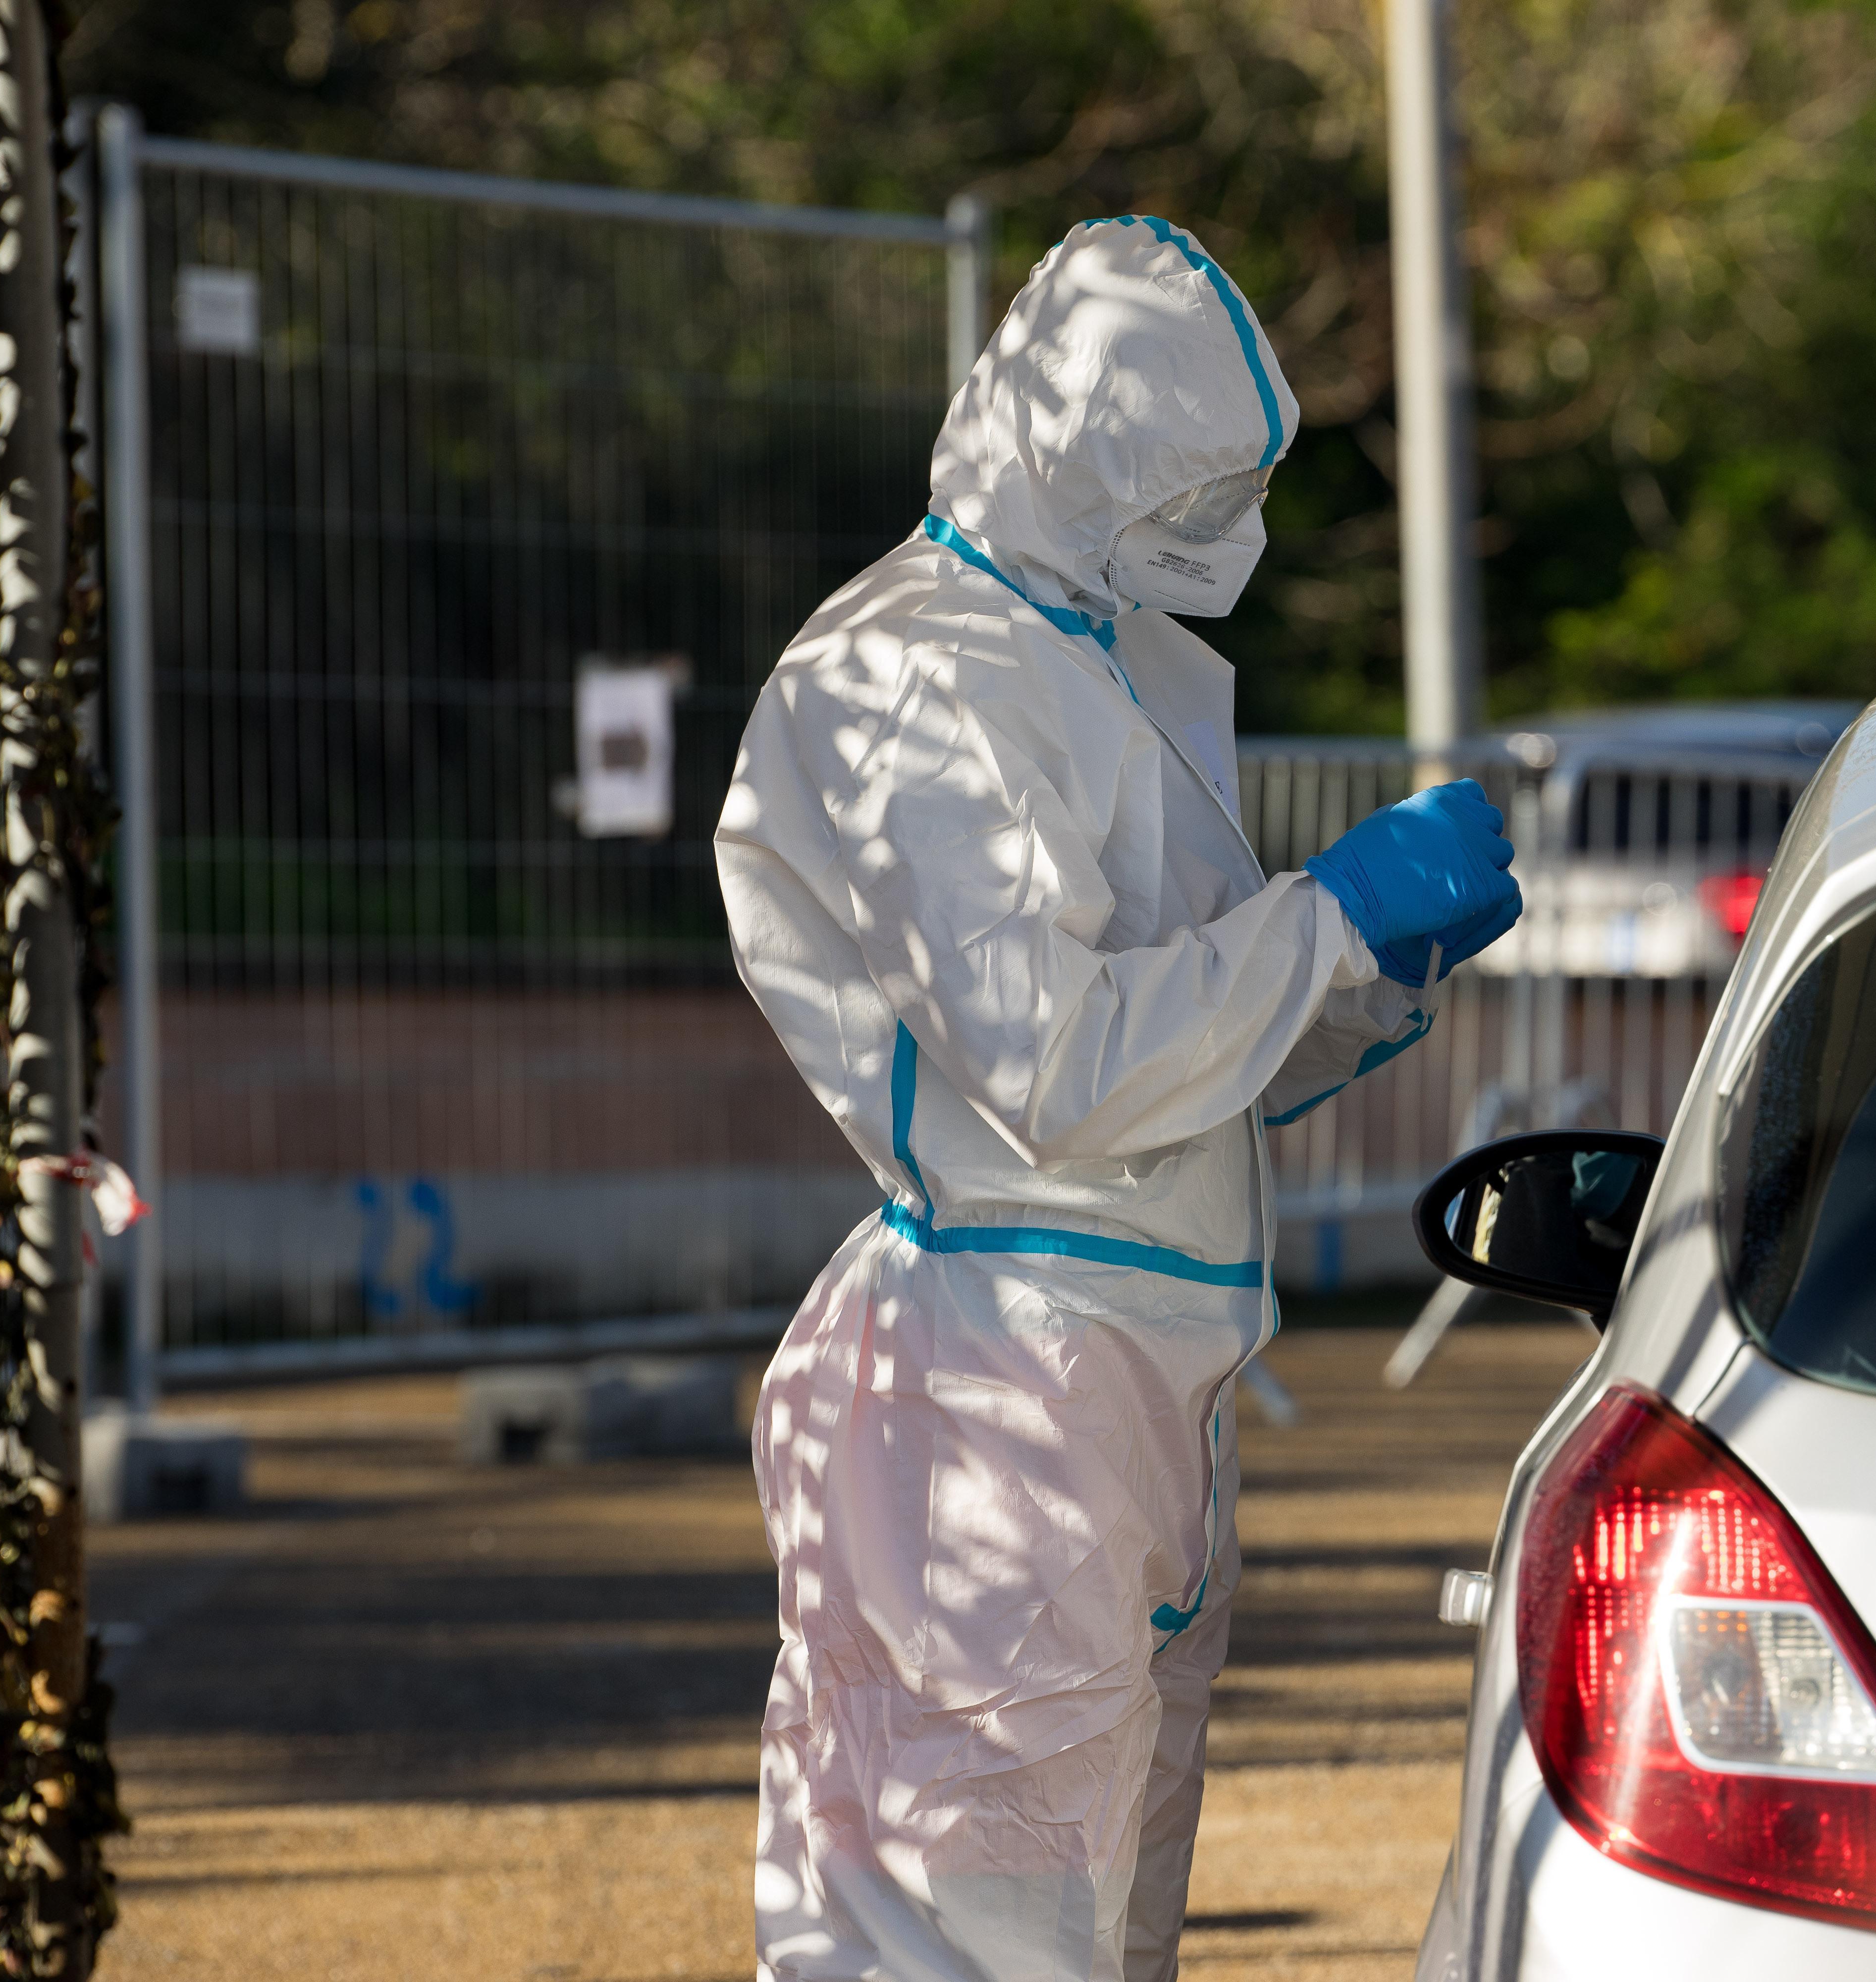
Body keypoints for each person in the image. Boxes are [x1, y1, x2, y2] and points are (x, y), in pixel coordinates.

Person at [717, 216, 1520, 1982]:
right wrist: (1328, 924)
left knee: (1100, 1901)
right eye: (1197, 486)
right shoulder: (922, 671)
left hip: (1138, 1371)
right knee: (973, 1917)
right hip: (1002, 1382)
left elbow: (1191, 1051)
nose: (1226, 530)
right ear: (1082, 447)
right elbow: (1053, 1059)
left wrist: (1368, 974)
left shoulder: (1089, 655)